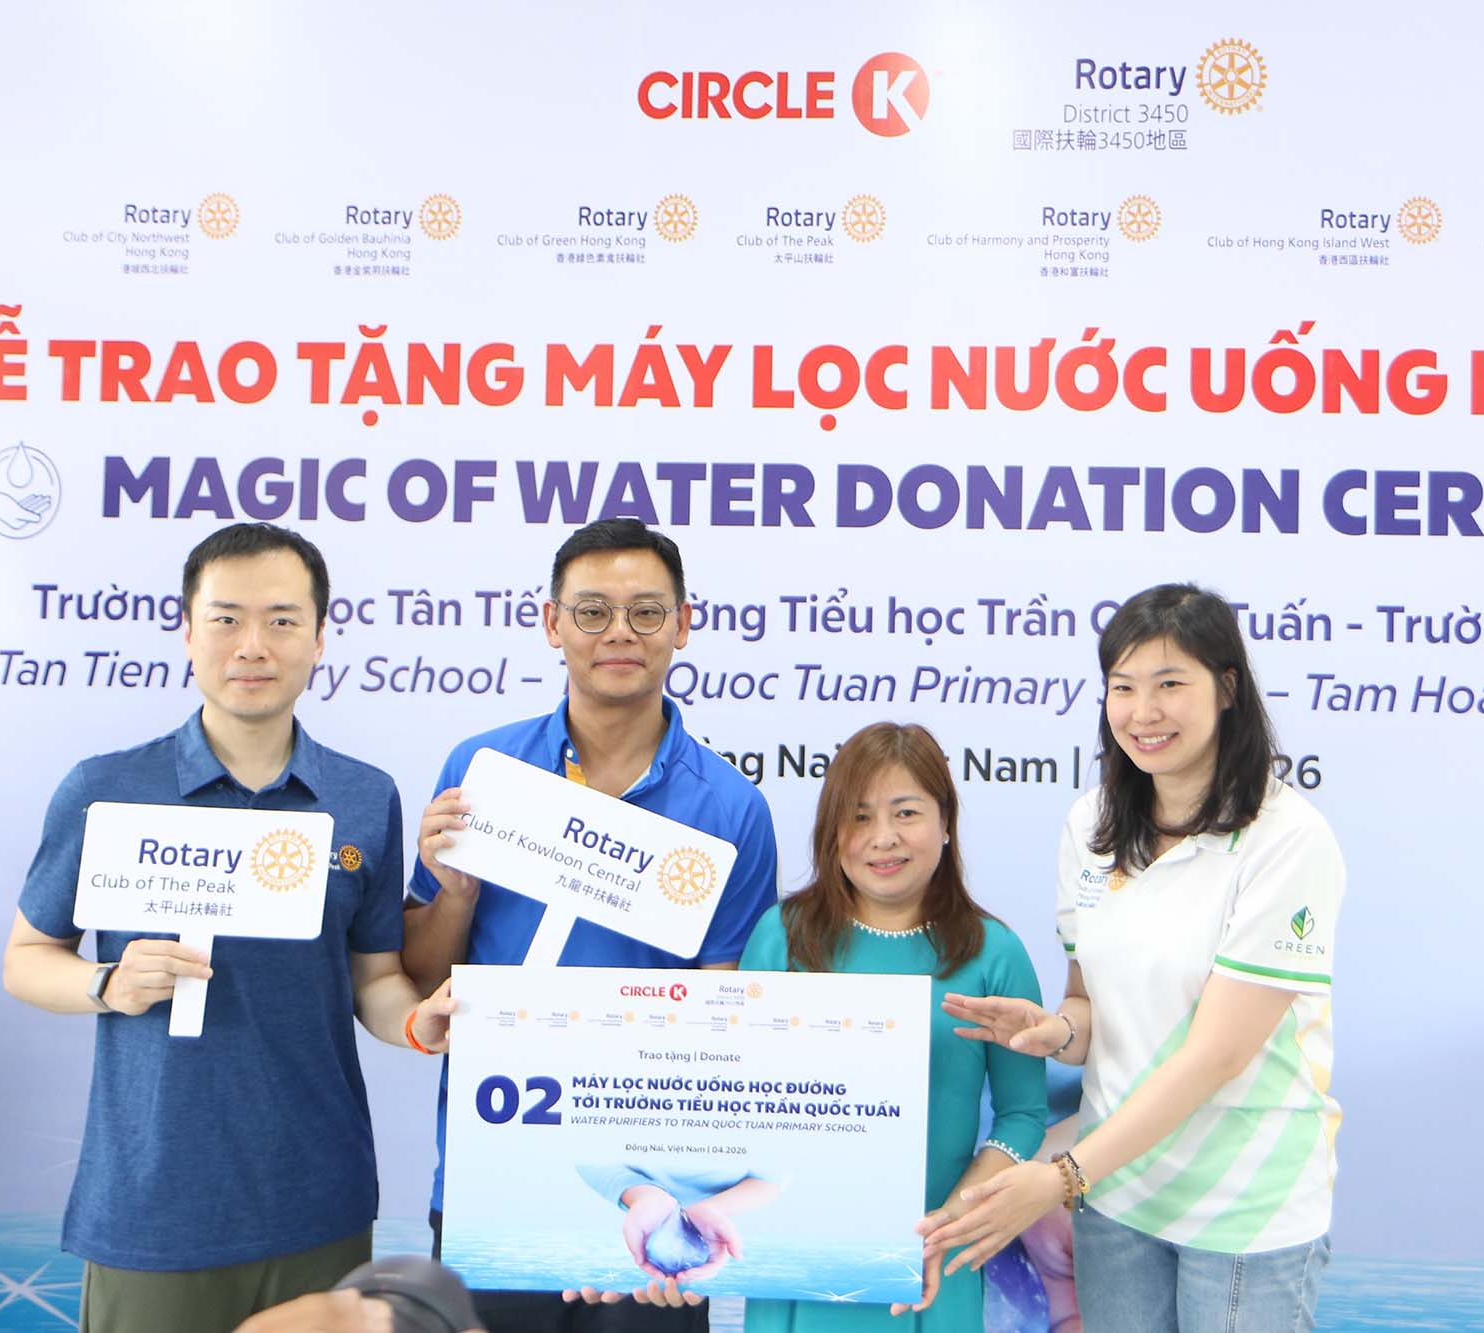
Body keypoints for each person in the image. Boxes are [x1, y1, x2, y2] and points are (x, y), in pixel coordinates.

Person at [1, 522, 454, 1333]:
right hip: (153, 1207)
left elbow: (377, 977)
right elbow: (28, 959)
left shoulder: (362, 796)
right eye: (226, 618)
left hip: (320, 1201)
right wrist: (108, 982)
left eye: (282, 620)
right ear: (186, 630)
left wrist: (417, 1022)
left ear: (319, 638)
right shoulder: (107, 787)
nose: (253, 644)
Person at [931, 584, 1346, 1331]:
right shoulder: (1090, 825)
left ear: (1226, 688)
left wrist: (1060, 1175)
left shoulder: (1287, 839)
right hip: (1118, 1196)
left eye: (1169, 684)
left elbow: (1213, 1054)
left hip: (1242, 1205)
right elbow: (1090, 1005)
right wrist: (1055, 1029)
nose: (1143, 712)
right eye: (1123, 687)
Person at [404, 519, 779, 1333]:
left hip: (655, 1178)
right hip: (497, 1160)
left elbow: (725, 1016)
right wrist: (456, 891)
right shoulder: (483, 774)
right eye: (593, 611)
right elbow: (422, 973)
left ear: (683, 624)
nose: (620, 633)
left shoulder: (731, 808)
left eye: (646, 612)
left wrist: (682, 1192)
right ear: (551, 623)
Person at [587, 722, 1048, 1329]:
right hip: (795, 1260)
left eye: (906, 812)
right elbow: (728, 1104)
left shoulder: (995, 952)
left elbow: (1022, 1115)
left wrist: (952, 1223)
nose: (883, 838)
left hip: (928, 1263)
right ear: (832, 834)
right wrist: (683, 1230)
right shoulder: (782, 935)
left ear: (945, 823)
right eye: (858, 817)